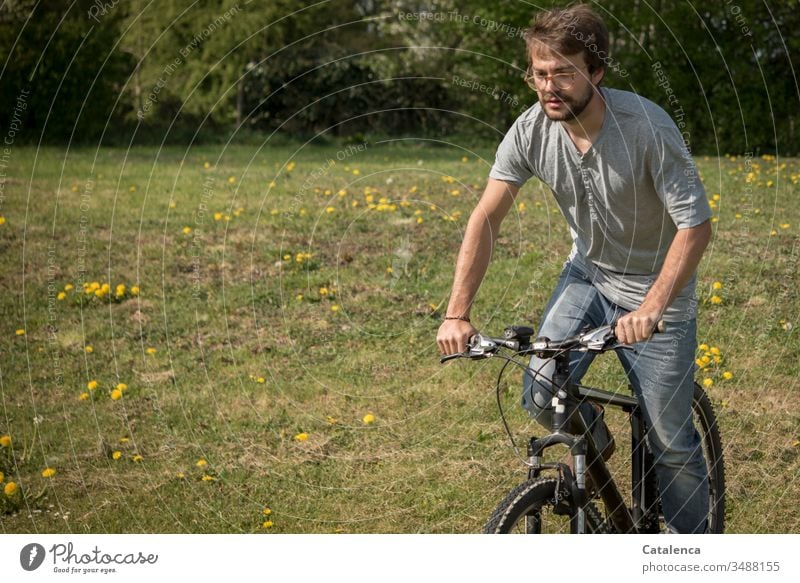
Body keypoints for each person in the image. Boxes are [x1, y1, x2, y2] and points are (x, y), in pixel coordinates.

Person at [436, 4, 712, 534]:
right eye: (539, 73)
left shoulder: (647, 128)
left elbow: (695, 225)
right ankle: (594, 442)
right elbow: (487, 217)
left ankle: (693, 557)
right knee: (541, 389)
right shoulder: (531, 129)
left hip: (659, 291)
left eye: (563, 72)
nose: (549, 87)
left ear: (597, 71)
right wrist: (457, 313)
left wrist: (652, 307)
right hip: (588, 274)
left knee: (670, 441)